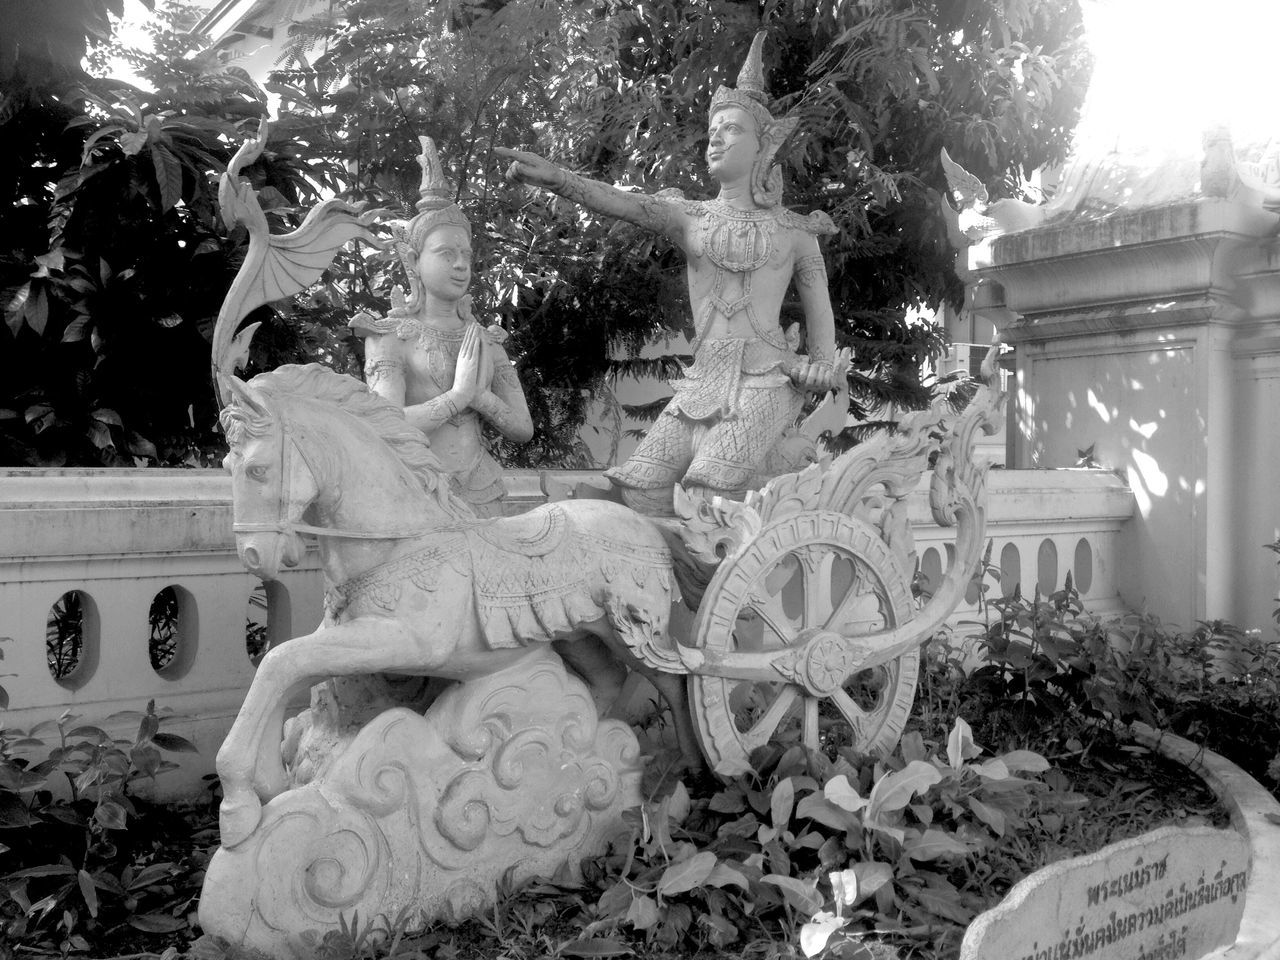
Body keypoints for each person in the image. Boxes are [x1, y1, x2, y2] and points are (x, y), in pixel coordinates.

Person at [498, 32, 840, 516]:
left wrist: (819, 365)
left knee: (704, 496)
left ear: (765, 146)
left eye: (732, 129)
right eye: (713, 129)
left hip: (769, 381)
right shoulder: (689, 216)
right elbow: (624, 203)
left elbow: (819, 313)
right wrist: (558, 178)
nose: (716, 137)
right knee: (630, 493)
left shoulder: (795, 232)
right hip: (701, 384)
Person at [353, 137, 533, 517]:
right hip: (416, 492)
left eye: (466, 254)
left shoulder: (485, 340)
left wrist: (480, 398)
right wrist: (459, 394)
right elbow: (387, 426)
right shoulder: (389, 337)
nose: (460, 265)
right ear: (414, 260)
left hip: (483, 489)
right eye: (446, 254)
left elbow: (522, 428)